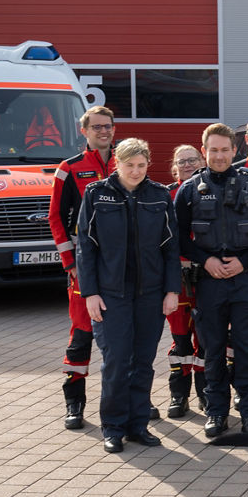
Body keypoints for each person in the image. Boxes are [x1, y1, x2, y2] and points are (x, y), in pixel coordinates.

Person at [76, 138, 181, 453]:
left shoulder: (160, 196)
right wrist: (90, 293)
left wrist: (172, 290)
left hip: (150, 294)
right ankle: (113, 427)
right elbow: (86, 247)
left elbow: (171, 248)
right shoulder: (96, 194)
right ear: (116, 164)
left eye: (141, 165)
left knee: (144, 362)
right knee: (118, 361)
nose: (135, 171)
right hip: (111, 295)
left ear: (148, 164)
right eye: (129, 165)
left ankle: (138, 426)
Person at [175, 122, 248, 438]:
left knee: (247, 349)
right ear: (204, 152)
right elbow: (178, 236)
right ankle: (216, 412)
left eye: (224, 149)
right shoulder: (189, 189)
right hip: (209, 282)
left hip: (244, 279)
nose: (219, 155)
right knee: (213, 350)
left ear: (236, 150)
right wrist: (206, 261)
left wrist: (243, 261)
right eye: (213, 150)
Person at [47, 105, 116, 430]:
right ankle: (74, 404)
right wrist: (70, 263)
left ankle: (132, 401)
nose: (103, 131)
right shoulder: (68, 168)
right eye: (97, 127)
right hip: (84, 268)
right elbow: (56, 218)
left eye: (108, 126)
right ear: (84, 130)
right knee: (82, 334)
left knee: (124, 338)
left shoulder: (126, 161)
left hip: (120, 268)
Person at [165, 144, 207, 418]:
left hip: (206, 277)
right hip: (177, 278)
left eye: (192, 159)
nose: (188, 164)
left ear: (202, 160)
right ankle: (179, 396)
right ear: (174, 167)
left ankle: (206, 394)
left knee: (206, 340)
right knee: (180, 341)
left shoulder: (210, 189)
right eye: (182, 161)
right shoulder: (164, 195)